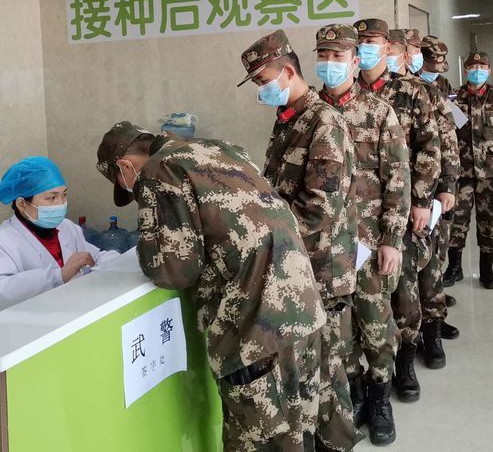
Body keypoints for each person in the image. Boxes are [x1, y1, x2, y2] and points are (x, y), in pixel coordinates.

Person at [97, 122, 326, 452]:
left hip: (255, 328)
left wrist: (149, 247)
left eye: (123, 183)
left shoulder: (157, 170)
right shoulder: (221, 148)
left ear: (124, 166)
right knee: (297, 432)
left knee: (258, 441)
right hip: (303, 306)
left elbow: (174, 271)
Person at [238, 30, 361, 452]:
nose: (261, 90)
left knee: (325, 369)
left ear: (288, 72)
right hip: (300, 264)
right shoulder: (290, 119)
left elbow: (318, 209)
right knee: (317, 370)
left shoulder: (323, 123)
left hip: (322, 267)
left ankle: (336, 443)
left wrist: (266, 242)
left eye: (263, 80)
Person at [315, 24, 410, 445]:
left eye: (338, 56)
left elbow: (398, 180)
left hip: (369, 244)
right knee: (338, 330)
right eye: (323, 55)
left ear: (355, 62)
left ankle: (380, 399)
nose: (330, 64)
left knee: (376, 325)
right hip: (325, 247)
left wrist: (391, 239)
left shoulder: (379, 113)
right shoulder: (308, 114)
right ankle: (353, 394)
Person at [353, 18, 440, 402]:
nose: (365, 46)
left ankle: (405, 364)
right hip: (359, 216)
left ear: (388, 46)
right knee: (366, 298)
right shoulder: (346, 93)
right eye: (359, 40)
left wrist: (421, 200)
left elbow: (429, 148)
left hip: (400, 208)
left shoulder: (410, 91)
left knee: (404, 289)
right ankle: (369, 373)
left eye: (371, 40)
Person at [0, 156, 119, 315]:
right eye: (51, 198)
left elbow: (94, 258)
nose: (61, 203)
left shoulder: (66, 227)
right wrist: (57, 277)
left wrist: (124, 260)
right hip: (21, 327)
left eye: (64, 195)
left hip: (68, 317)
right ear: (21, 204)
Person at [397, 30, 460, 369]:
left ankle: (433, 330)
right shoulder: (379, 92)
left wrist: (447, 185)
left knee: (431, 264)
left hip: (428, 194)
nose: (410, 56)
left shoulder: (428, 91)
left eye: (411, 50)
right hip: (393, 198)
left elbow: (446, 142)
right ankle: (409, 335)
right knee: (404, 274)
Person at [444, 52, 493, 290]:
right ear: (465, 70)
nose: (477, 70)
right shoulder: (453, 97)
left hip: (492, 172)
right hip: (461, 173)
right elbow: (446, 133)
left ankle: (487, 270)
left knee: (489, 223)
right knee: (456, 220)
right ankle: (454, 268)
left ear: (489, 70)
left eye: (482, 66)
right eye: (473, 66)